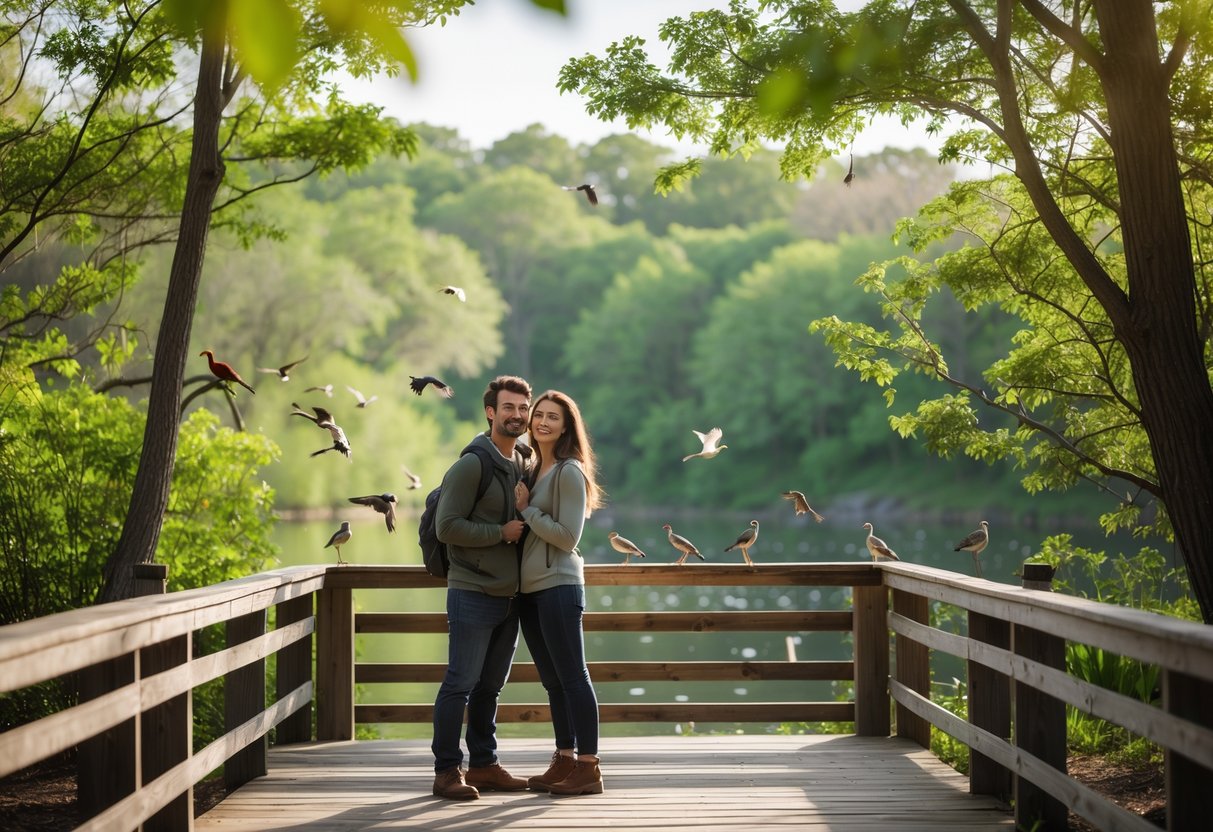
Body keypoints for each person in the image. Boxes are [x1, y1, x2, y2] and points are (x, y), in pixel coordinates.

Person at [431, 375, 534, 801]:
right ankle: (446, 771)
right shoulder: (472, 463)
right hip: (472, 591)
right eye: (508, 407)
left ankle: (485, 765)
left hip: (509, 597)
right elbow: (446, 526)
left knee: (490, 687)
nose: (516, 415)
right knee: (460, 682)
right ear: (491, 412)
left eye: (522, 409)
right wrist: (500, 532)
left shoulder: (523, 461)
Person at [514, 390, 606, 796]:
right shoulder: (534, 470)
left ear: (567, 426)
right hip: (531, 590)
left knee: (574, 677)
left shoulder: (570, 471)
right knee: (553, 682)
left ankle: (589, 767)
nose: (543, 422)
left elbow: (568, 538)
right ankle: (565, 758)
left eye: (553, 417)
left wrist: (527, 511)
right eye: (539, 415)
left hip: (559, 586)